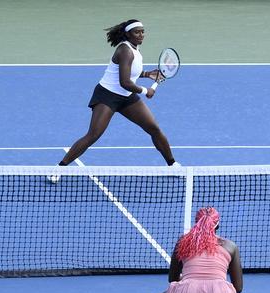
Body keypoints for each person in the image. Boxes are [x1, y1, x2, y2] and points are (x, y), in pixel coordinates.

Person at [52, 19, 177, 178]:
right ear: (128, 34)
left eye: (142, 31)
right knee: (93, 135)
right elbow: (125, 82)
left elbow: (130, 72)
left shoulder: (135, 49)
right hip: (108, 96)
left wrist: (147, 74)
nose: (141, 35)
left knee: (154, 128)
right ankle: (59, 168)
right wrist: (146, 91)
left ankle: (172, 165)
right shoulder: (125, 51)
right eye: (137, 32)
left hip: (126, 97)